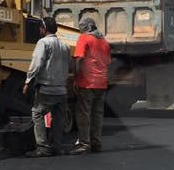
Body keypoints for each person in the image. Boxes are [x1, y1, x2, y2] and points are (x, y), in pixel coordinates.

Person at [23, 16, 71, 157]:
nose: (39, 30)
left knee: (37, 113)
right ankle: (57, 146)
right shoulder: (65, 46)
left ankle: (43, 147)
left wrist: (28, 81)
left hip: (46, 89)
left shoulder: (43, 43)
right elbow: (69, 66)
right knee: (59, 118)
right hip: (61, 90)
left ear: (44, 29)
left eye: (40, 27)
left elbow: (37, 63)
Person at [71, 16, 112, 155]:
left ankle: (84, 144)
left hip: (87, 82)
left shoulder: (84, 38)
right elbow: (107, 62)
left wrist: (76, 78)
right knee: (97, 115)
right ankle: (96, 143)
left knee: (84, 114)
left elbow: (79, 59)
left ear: (87, 27)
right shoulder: (104, 42)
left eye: (82, 27)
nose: (81, 29)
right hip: (101, 83)